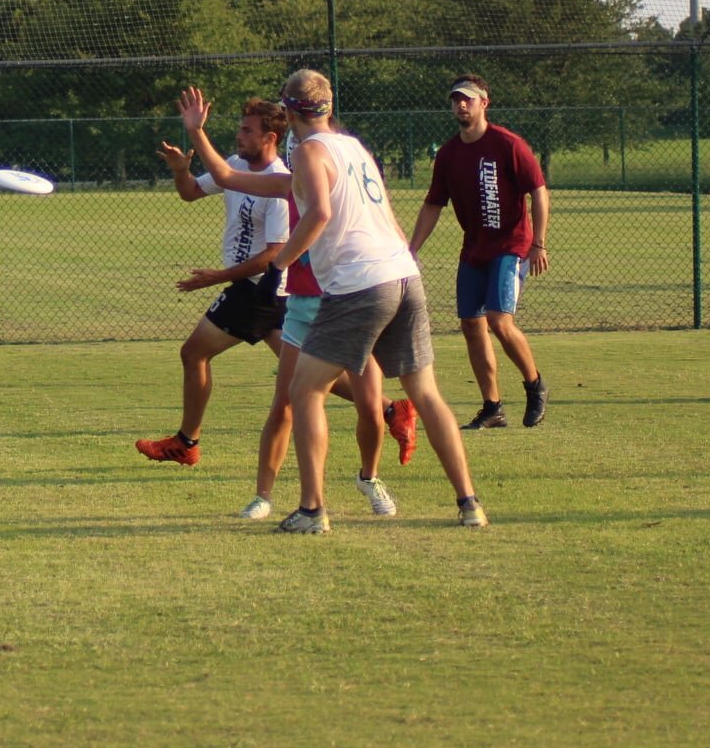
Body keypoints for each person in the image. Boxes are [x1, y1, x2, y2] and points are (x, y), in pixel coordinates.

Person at [187, 72, 487, 532]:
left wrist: (278, 265)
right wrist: (196, 132)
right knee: (424, 393)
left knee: (303, 390)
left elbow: (321, 214)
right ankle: (469, 504)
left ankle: (311, 510)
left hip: (360, 284)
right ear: (326, 107)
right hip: (403, 273)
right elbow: (228, 176)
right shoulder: (352, 148)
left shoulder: (309, 152)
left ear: (288, 113)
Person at [176, 112, 420, 519]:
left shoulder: (344, 199)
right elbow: (225, 175)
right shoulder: (288, 185)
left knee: (369, 403)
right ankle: (265, 497)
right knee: (286, 401)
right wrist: (196, 132)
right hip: (302, 303)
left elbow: (304, 241)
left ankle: (369, 477)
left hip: (348, 301)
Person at [136, 99, 293, 466]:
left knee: (194, 352)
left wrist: (216, 278)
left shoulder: (279, 184)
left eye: (247, 130)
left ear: (270, 137)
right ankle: (389, 409)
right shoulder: (237, 166)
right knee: (308, 372)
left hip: (259, 288)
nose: (239, 135)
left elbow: (274, 254)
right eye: (240, 128)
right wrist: (179, 170)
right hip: (265, 291)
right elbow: (190, 192)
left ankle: (186, 442)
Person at [408, 74, 550, 430]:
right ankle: (492, 407)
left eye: (468, 99)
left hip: (511, 246)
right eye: (456, 99)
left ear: (484, 103)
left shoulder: (508, 144)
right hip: (475, 250)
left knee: (499, 322)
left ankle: (534, 385)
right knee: (471, 325)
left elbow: (539, 191)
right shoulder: (449, 154)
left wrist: (539, 243)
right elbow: (432, 205)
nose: (461, 105)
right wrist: (410, 250)